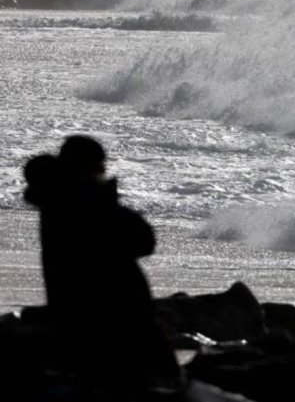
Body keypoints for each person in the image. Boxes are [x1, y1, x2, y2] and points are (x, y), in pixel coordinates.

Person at [23, 135, 182, 398]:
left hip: (82, 318)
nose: (104, 170)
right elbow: (142, 239)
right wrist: (105, 197)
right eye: (100, 164)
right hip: (112, 319)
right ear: (90, 166)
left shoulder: (57, 201)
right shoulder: (83, 201)